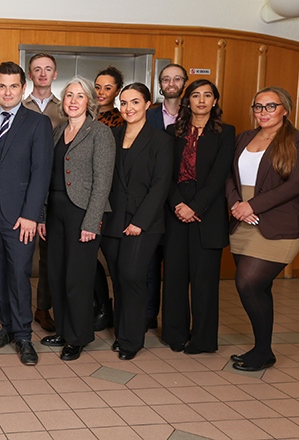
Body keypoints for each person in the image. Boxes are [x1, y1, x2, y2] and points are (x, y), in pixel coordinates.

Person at [226, 87, 299, 371]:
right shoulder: (243, 138)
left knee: (248, 283)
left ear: (285, 109)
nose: (262, 112)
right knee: (260, 288)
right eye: (258, 107)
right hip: (241, 220)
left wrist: (253, 206)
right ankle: (263, 350)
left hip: (279, 223)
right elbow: (228, 175)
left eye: (270, 106)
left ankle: (263, 351)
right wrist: (236, 204)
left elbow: (296, 185)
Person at [0, 61, 53, 366]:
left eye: (13, 86)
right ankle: (7, 327)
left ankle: (23, 336)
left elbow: (41, 173)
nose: (7, 92)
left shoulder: (38, 124)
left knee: (20, 275)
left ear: (23, 88)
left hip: (21, 216)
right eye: (1, 86)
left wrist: (32, 215)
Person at [39, 76, 115, 361]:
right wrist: (43, 215)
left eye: (79, 96)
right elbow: (49, 178)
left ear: (89, 102)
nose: (73, 100)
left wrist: (91, 222)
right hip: (56, 211)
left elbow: (102, 182)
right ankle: (63, 328)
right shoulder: (58, 132)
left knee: (77, 279)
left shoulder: (99, 133)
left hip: (83, 213)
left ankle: (78, 336)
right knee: (56, 274)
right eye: (69, 95)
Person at [162, 79, 235, 354]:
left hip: (207, 214)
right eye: (195, 95)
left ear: (215, 101)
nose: (201, 100)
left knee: (204, 282)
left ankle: (203, 340)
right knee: (174, 278)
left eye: (207, 95)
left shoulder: (225, 133)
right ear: (187, 101)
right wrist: (178, 203)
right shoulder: (172, 132)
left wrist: (194, 206)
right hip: (175, 212)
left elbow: (219, 176)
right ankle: (175, 334)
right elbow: (165, 174)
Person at [101, 83, 173, 361]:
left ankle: (133, 339)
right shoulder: (111, 135)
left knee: (132, 277)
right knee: (118, 279)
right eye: (124, 103)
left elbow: (160, 185)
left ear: (147, 105)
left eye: (135, 102)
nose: (128, 108)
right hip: (112, 220)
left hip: (143, 222)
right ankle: (122, 333)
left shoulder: (161, 140)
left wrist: (140, 222)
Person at [144, 63, 188, 330]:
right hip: (151, 199)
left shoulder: (195, 112)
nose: (171, 83)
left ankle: (174, 321)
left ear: (184, 82)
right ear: (159, 84)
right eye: (166, 79)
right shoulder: (148, 116)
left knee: (175, 267)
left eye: (177, 78)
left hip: (181, 201)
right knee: (148, 265)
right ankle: (148, 315)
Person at [23, 52, 63, 333]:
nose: (42, 74)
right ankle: (19, 309)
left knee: (48, 254)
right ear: (29, 74)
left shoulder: (65, 108)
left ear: (55, 74)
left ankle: (42, 307)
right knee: (23, 252)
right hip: (22, 188)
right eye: (37, 69)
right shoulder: (18, 105)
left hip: (54, 187)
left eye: (48, 69)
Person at [91, 66, 126, 332]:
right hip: (84, 198)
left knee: (115, 261)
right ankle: (101, 307)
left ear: (117, 91)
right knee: (90, 260)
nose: (102, 92)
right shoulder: (84, 114)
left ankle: (122, 315)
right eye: (98, 86)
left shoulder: (120, 121)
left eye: (108, 87)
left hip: (110, 200)